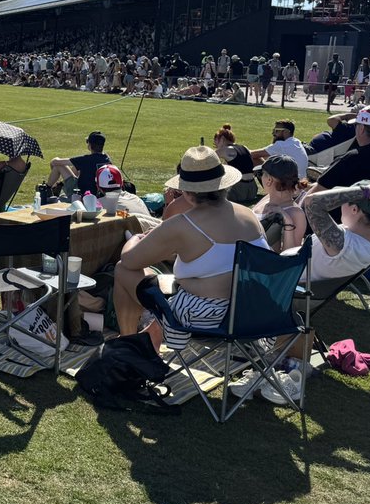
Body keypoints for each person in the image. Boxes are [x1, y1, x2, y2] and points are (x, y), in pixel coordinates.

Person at [114, 146, 269, 351]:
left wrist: (134, 239)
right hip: (257, 314)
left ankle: (128, 347)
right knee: (173, 282)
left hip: (209, 320)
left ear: (186, 192)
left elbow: (131, 260)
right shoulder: (249, 216)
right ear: (224, 185)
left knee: (122, 269)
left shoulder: (183, 224)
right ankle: (142, 341)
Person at [299, 180, 370, 281]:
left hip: (289, 282)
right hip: (314, 288)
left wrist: (366, 192)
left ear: (354, 209)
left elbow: (311, 202)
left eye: (344, 201)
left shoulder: (343, 244)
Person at [252, 154, 307, 251]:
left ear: (269, 179)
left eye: (261, 174)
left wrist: (286, 219)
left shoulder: (296, 214)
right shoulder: (267, 198)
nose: (260, 178)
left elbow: (290, 255)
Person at [45, 131, 110, 197]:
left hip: (80, 193)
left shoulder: (85, 159)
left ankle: (47, 188)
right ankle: (60, 185)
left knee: (58, 166)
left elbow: (55, 162)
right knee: (76, 168)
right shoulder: (107, 158)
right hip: (98, 192)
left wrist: (54, 160)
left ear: (90, 145)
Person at [213, 123, 257, 205]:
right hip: (252, 190)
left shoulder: (225, 150)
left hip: (238, 192)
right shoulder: (244, 147)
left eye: (216, 143)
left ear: (222, 139)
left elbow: (208, 159)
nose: (216, 146)